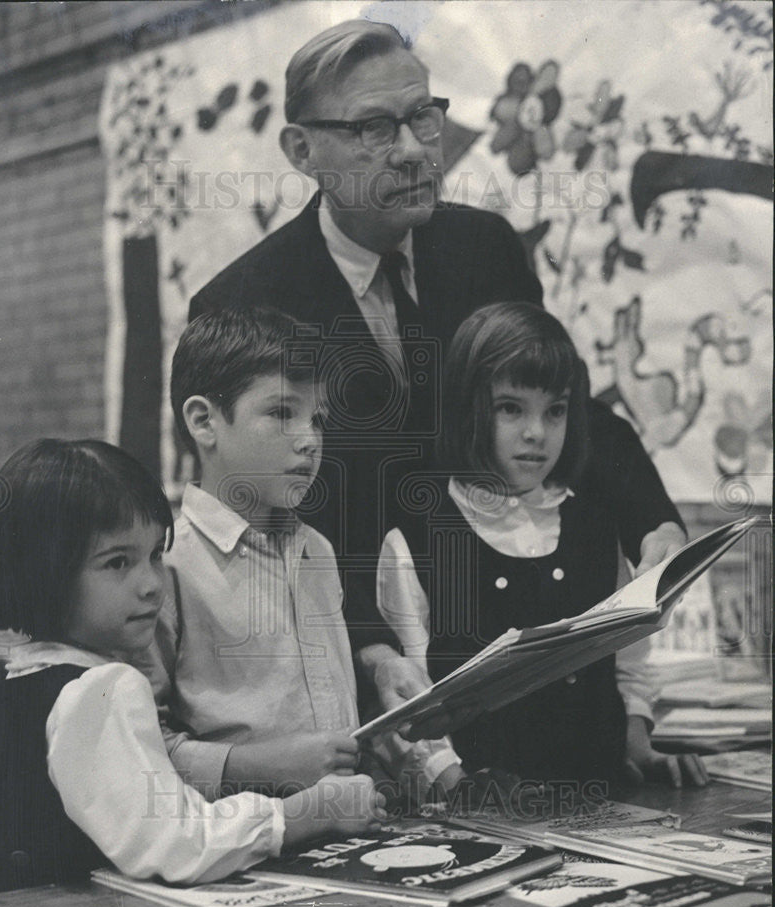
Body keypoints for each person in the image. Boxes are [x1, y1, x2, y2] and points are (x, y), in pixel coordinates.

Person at [189, 19, 686, 725]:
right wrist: (366, 647)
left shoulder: (483, 248)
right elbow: (258, 522)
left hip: (510, 648)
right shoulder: (242, 303)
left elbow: (561, 397)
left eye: (423, 116)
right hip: (362, 668)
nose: (415, 151)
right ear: (302, 150)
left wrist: (652, 524)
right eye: (374, 128)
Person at [0, 438, 385, 890]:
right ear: (43, 571)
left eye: (153, 555)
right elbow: (177, 842)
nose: (151, 583)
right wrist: (311, 811)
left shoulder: (20, 676)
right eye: (117, 563)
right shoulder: (103, 689)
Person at [137, 307, 465, 806]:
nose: (310, 440)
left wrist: (433, 769)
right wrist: (256, 766)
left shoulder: (317, 550)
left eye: (318, 419)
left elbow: (342, 721)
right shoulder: (167, 567)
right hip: (245, 843)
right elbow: (143, 748)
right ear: (204, 422)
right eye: (282, 414)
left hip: (354, 823)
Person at [376, 302, 709, 786]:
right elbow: (409, 702)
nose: (536, 433)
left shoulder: (594, 523)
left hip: (602, 796)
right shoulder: (419, 536)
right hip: (477, 809)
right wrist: (453, 783)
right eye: (511, 408)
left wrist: (642, 749)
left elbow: (628, 667)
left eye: (555, 411)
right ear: (470, 407)